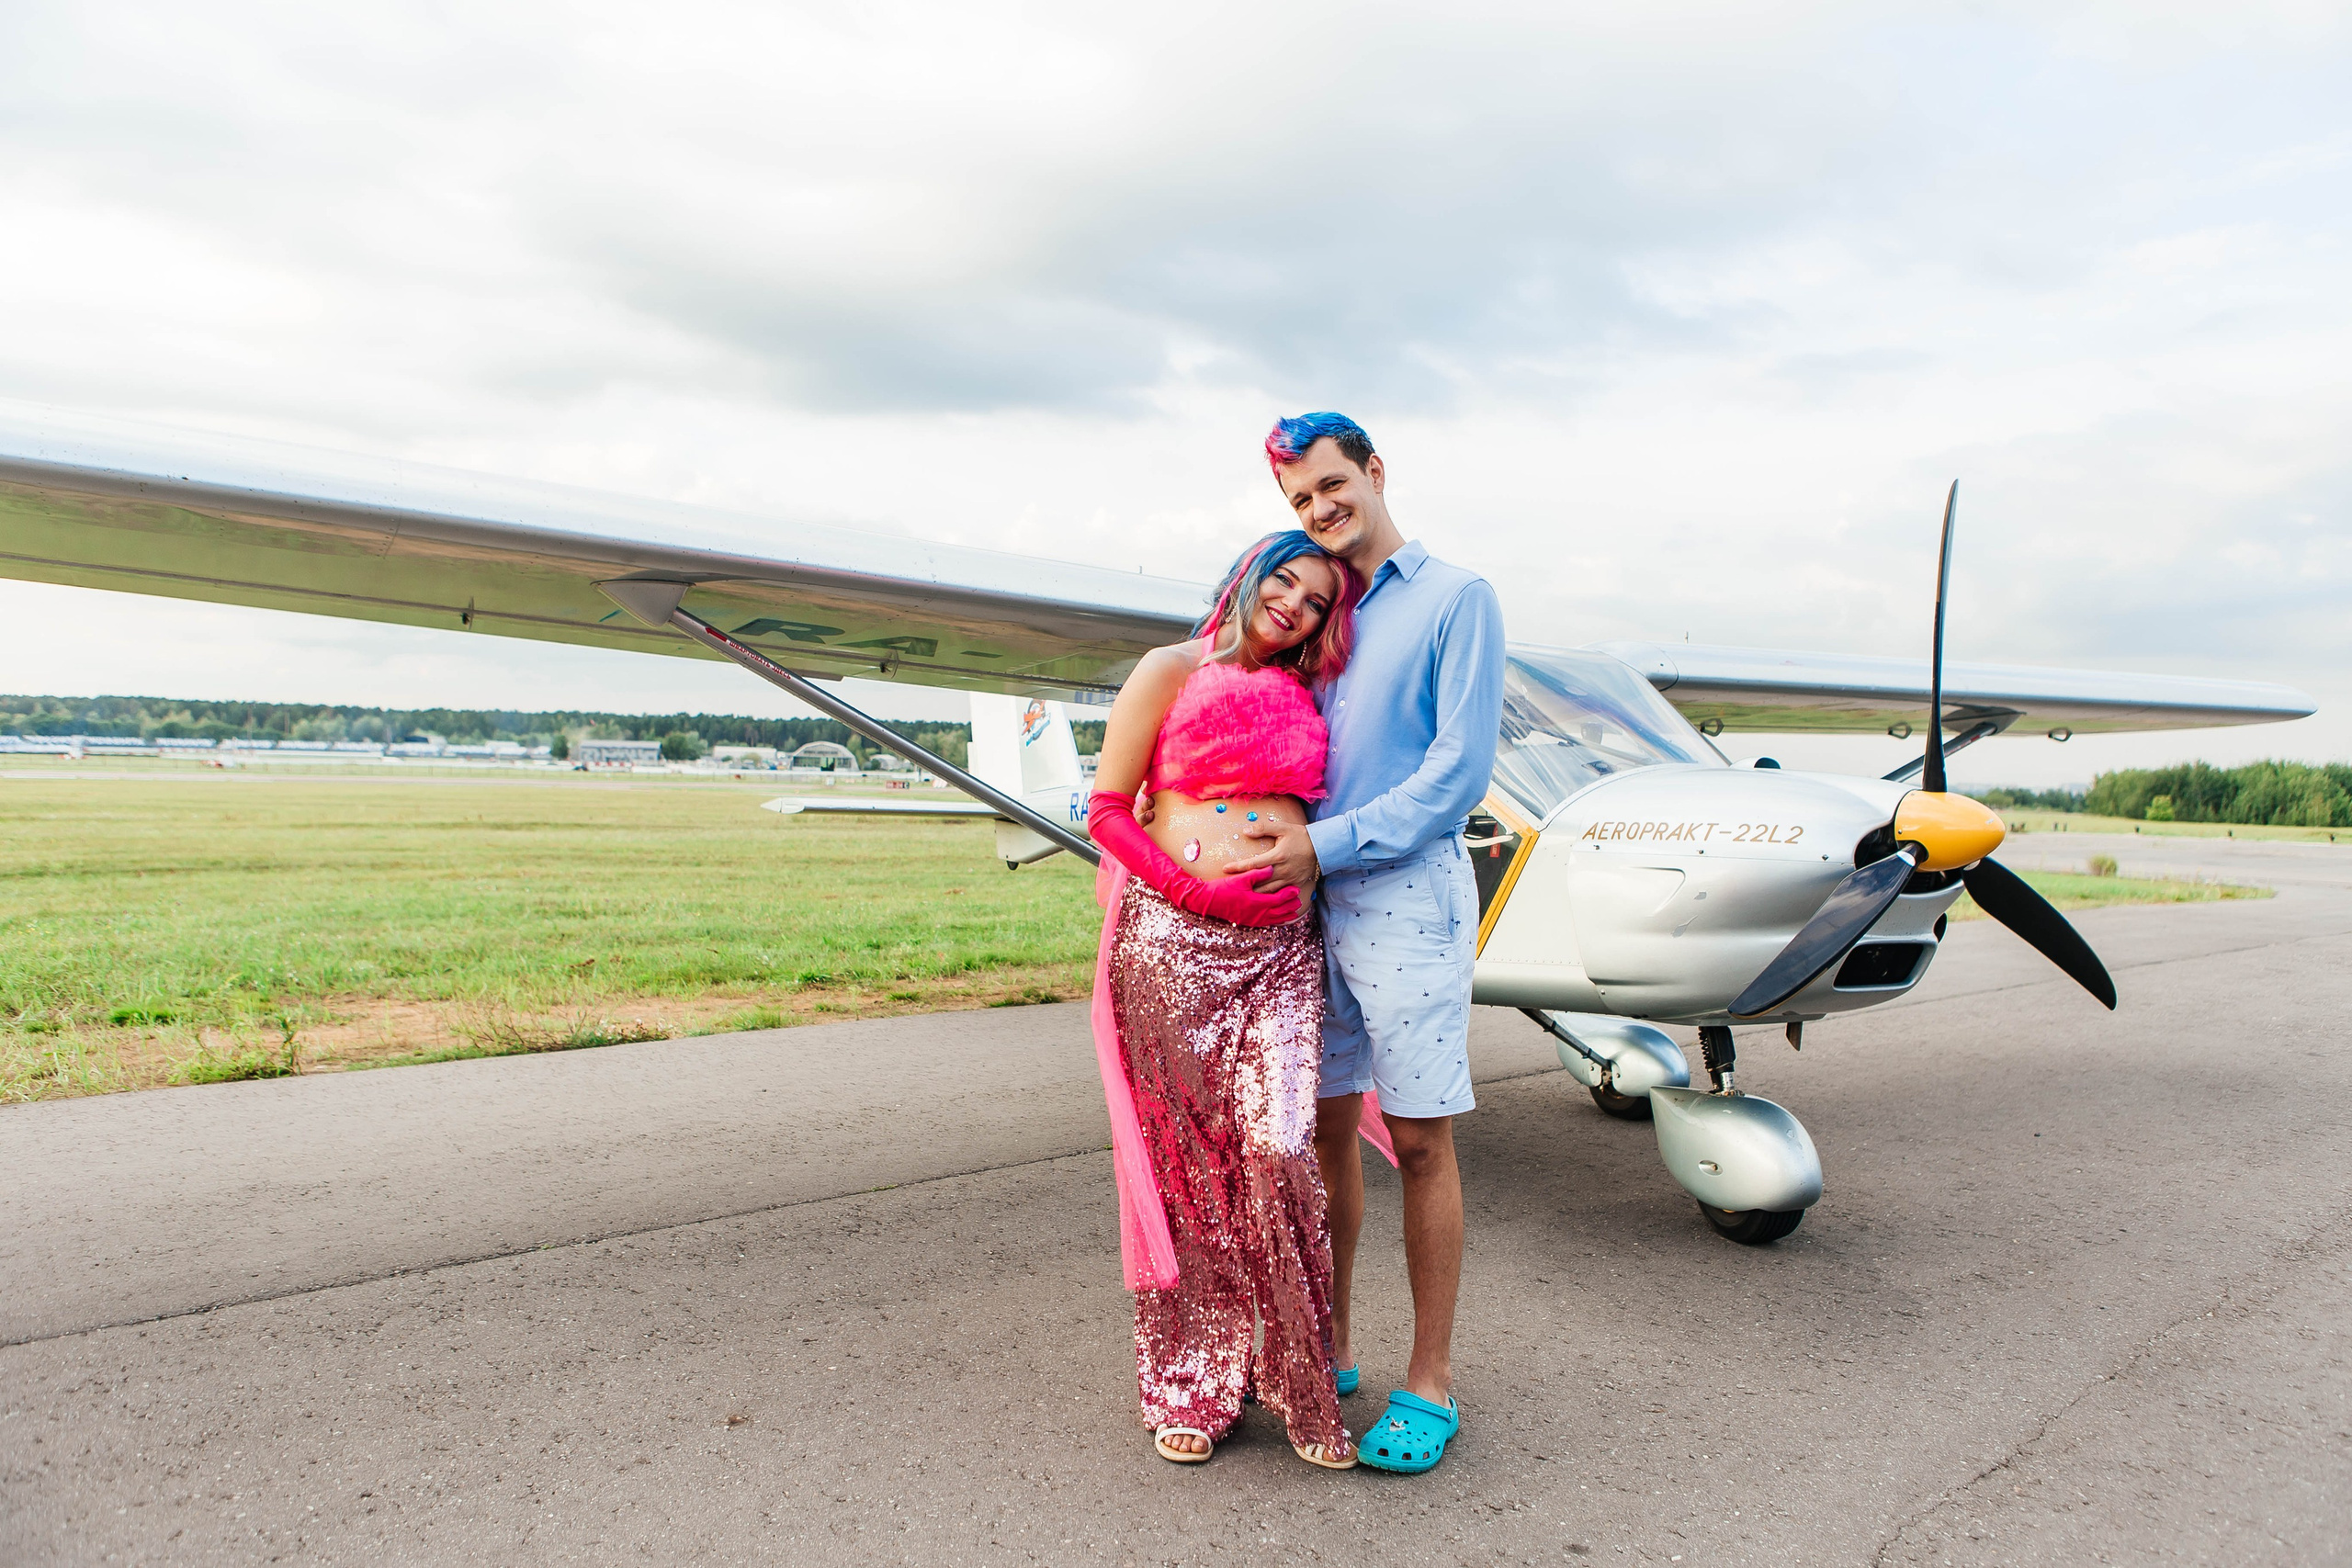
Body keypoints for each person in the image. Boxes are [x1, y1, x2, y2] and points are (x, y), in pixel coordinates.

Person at [1226, 412, 1505, 1475]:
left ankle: (1428, 1383)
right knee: (1327, 1134)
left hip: (1401, 898)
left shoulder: (1455, 600)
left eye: (1332, 487)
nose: (1319, 512)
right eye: (1299, 502)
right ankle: (1332, 1344)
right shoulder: (1319, 606)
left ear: (1375, 472)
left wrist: (1322, 845)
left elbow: (1455, 775)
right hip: (1309, 905)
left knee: (1423, 1141)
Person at [1084, 529, 1363, 1470]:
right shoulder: (1169, 666)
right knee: (1191, 1173)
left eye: (1318, 598)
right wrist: (1198, 891)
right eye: (1284, 578)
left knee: (1282, 1151)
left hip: (1283, 949)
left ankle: (1296, 1377)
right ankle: (1194, 1384)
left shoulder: (1305, 691)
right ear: (1248, 573)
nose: (1294, 602)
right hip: (1173, 943)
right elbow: (1108, 811)